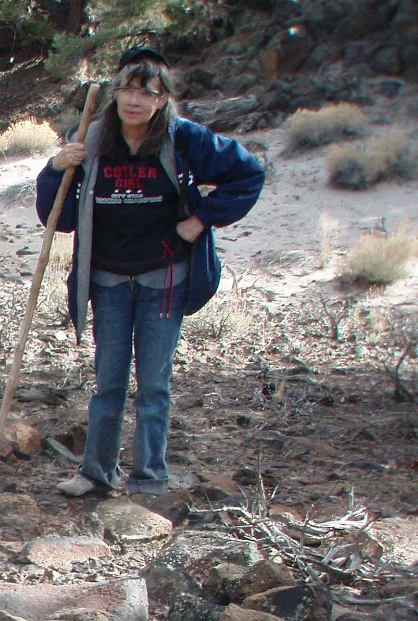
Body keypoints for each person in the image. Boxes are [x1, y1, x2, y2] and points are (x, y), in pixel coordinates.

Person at [37, 47, 264, 498]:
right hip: (108, 280)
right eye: (128, 89)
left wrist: (201, 220)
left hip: (164, 278)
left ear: (163, 101)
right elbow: (57, 217)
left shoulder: (184, 139)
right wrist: (54, 168)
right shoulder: (91, 137)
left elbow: (248, 174)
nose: (135, 100)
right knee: (108, 382)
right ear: (115, 92)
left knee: (154, 385)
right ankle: (96, 474)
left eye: (148, 93)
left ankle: (149, 479)